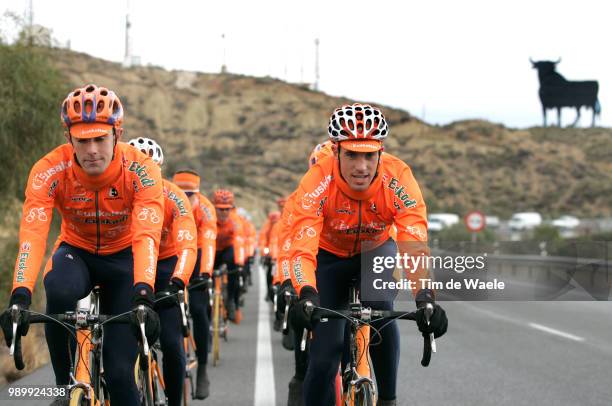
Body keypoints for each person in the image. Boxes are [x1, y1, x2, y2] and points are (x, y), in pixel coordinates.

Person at [0, 84, 163, 406]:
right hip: (77, 252)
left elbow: (147, 234)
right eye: (82, 140)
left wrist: (144, 292)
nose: (91, 150)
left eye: (100, 139)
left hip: (124, 260)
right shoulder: (48, 170)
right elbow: (32, 235)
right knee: (59, 289)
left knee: (119, 376)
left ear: (117, 134)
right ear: (68, 138)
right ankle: (64, 386)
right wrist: (19, 295)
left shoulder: (142, 170)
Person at [288, 103, 448, 406]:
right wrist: (306, 292)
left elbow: (413, 239)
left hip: (375, 250)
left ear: (381, 152)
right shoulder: (317, 181)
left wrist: (425, 297)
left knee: (380, 307)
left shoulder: (398, 176)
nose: (361, 166)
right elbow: (302, 244)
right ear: (336, 151)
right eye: (351, 154)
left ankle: (388, 398)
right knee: (323, 361)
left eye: (369, 155)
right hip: (329, 257)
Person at [128, 137, 198, 406]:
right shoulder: (121, 195)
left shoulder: (174, 196)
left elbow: (187, 244)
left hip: (166, 266)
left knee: (171, 343)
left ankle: (174, 401)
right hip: (131, 266)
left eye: (152, 171)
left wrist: (178, 281)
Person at [172, 169, 217, 399]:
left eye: (190, 194)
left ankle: (202, 369)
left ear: (198, 195)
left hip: (198, 251)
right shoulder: (167, 201)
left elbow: (209, 242)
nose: (185, 198)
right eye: (181, 192)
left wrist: (206, 274)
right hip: (175, 249)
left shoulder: (206, 210)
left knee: (199, 309)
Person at [212, 189, 246, 323]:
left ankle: (231, 300)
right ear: (214, 207)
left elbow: (239, 241)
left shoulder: (235, 220)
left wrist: (240, 263)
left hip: (227, 249)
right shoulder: (209, 218)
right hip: (213, 249)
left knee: (235, 271)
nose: (224, 212)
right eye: (220, 209)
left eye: (227, 209)